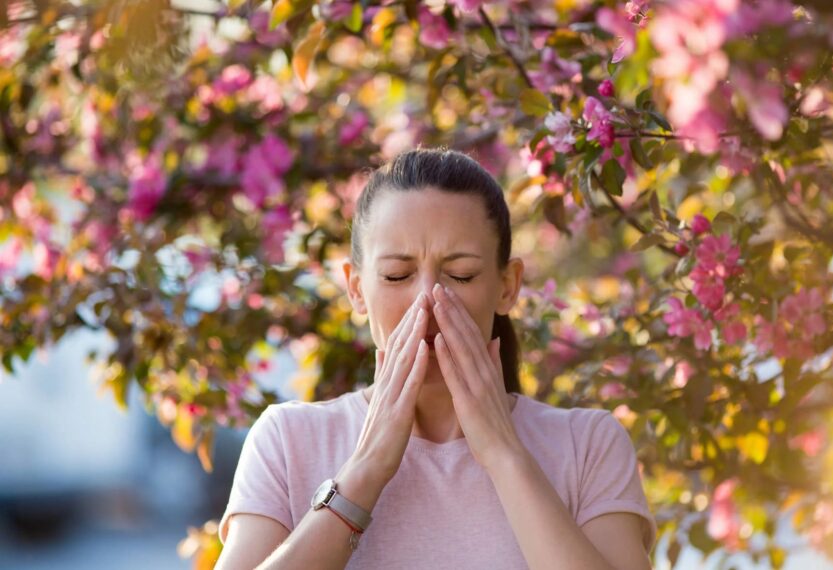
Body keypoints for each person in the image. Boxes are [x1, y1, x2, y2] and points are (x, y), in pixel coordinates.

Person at [215, 148, 656, 569]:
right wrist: (365, 471)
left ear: (507, 285)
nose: (427, 298)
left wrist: (503, 453)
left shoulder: (588, 445)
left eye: (461, 275)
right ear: (355, 288)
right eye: (396, 275)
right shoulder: (288, 440)